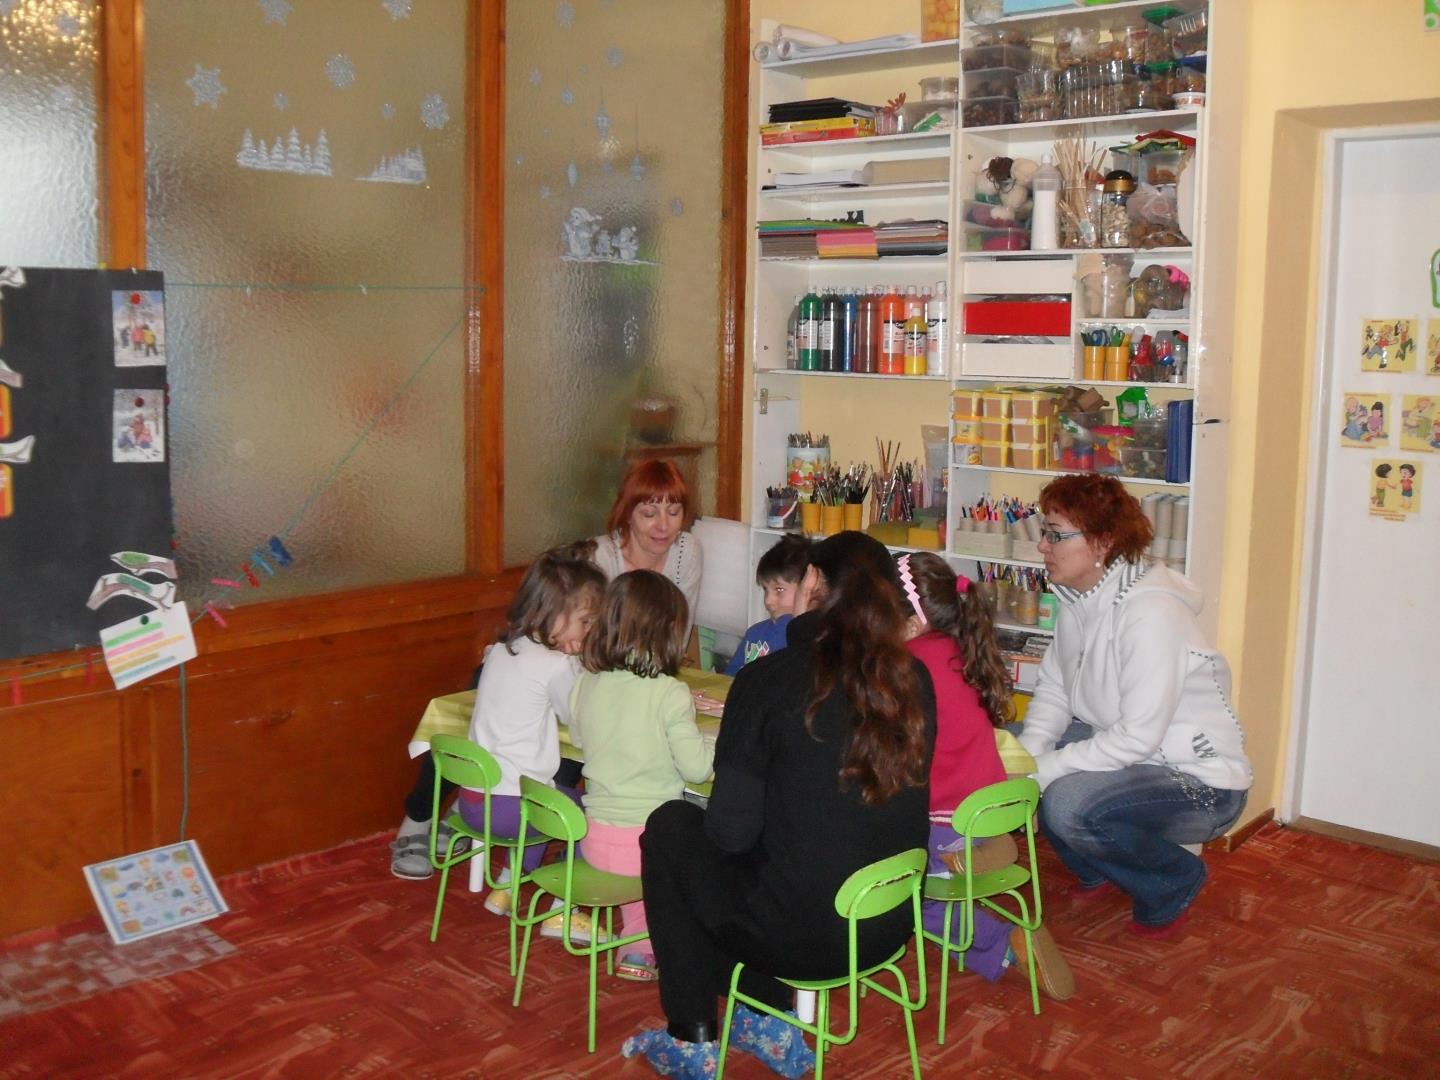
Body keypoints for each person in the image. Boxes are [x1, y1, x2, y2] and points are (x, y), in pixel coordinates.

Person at [621, 531, 935, 1079]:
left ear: (811, 580)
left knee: (672, 828)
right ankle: (763, 1013)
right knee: (782, 849)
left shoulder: (767, 679)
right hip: (884, 922)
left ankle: (692, 1036)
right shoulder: (915, 680)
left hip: (800, 938)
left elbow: (729, 834)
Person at [1018, 474, 1252, 938]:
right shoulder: (1079, 598)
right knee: (1003, 748)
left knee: (1065, 801)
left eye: (1056, 535)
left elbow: (1137, 737)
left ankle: (1172, 880)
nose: (1042, 545)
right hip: (1138, 755)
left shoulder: (1149, 613)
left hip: (1199, 781)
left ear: (1103, 542)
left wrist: (1040, 772)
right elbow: (1055, 689)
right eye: (1044, 531)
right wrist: (1029, 754)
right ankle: (1098, 868)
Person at [896, 552, 1074, 1001]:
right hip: (985, 806)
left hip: (945, 815)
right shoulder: (959, 649)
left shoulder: (910, 665)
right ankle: (974, 854)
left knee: (909, 899)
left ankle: (1002, 940)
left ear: (911, 623)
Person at [389, 543, 603, 888]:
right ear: (554, 612)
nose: (590, 630)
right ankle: (560, 893)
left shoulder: (502, 651)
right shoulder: (558, 665)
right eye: (585, 621)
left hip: (473, 802)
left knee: (551, 793)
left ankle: (508, 885)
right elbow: (579, 725)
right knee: (594, 810)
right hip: (514, 809)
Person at [567, 571, 715, 983]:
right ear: (666, 631)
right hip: (649, 848)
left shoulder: (586, 682)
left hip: (594, 839)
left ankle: (636, 941)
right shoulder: (670, 693)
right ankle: (653, 943)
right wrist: (717, 743)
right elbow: (698, 769)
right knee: (703, 831)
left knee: (642, 858)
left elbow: (578, 740)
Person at [590, 460, 704, 654]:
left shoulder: (687, 551)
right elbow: (588, 644)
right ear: (627, 514)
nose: (663, 526)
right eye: (649, 514)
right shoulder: (599, 559)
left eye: (674, 512)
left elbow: (679, 638)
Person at [721, 533, 810, 676]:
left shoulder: (808, 640)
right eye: (765, 589)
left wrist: (785, 622)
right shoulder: (755, 633)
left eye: (779, 590)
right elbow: (729, 677)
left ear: (807, 589)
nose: (768, 600)